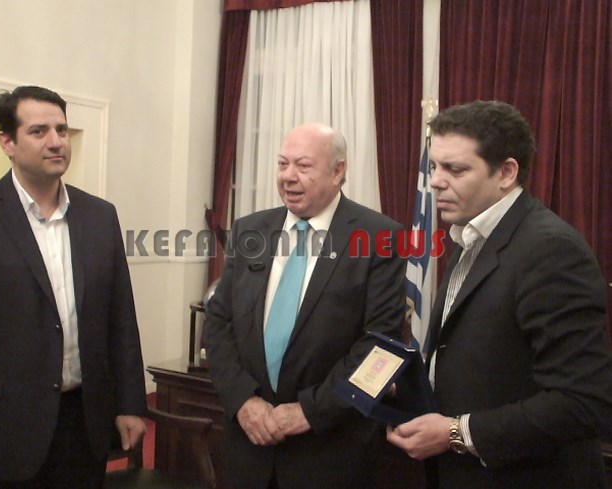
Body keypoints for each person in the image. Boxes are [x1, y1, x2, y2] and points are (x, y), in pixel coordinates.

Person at [386, 100, 612, 488]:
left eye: (455, 169)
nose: (436, 180)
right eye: (434, 166)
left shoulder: (550, 250)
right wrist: (411, 387)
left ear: (506, 172)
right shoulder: (470, 235)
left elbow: (583, 401)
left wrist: (456, 433)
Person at [0, 86, 147, 488]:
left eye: (61, 130)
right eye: (38, 131)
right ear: (7, 143)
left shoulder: (99, 216)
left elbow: (121, 320)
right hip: (1, 431)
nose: (56, 141)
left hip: (84, 424)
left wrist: (131, 403)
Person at [204, 123, 406, 489]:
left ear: (338, 171)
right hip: (249, 447)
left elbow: (381, 349)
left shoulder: (380, 237)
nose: (288, 176)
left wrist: (310, 412)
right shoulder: (250, 230)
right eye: (283, 164)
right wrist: (243, 400)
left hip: (329, 452)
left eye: (303, 166)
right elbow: (218, 324)